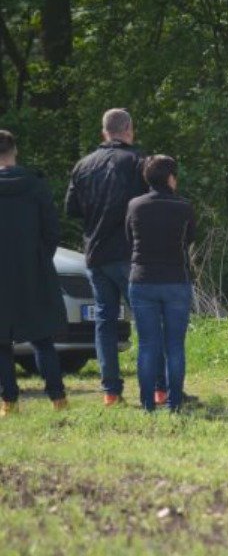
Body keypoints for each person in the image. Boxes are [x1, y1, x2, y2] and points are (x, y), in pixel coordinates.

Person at [65, 109, 147, 406]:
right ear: (129, 129)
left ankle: (111, 391)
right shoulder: (137, 163)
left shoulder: (83, 165)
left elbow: (71, 209)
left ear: (104, 132)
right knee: (147, 319)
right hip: (129, 252)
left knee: (104, 320)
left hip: (95, 253)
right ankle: (157, 386)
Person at [0, 130, 68, 415]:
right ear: (14, 150)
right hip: (33, 270)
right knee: (42, 339)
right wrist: (40, 259)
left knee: (1, 341)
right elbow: (52, 230)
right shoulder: (36, 184)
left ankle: (9, 402)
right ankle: (58, 398)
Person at [126, 155, 196, 412]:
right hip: (176, 280)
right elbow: (190, 239)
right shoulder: (184, 207)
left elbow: (128, 238)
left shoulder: (135, 205)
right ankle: (175, 402)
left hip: (142, 280)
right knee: (174, 345)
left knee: (147, 345)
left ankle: (147, 404)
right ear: (170, 178)